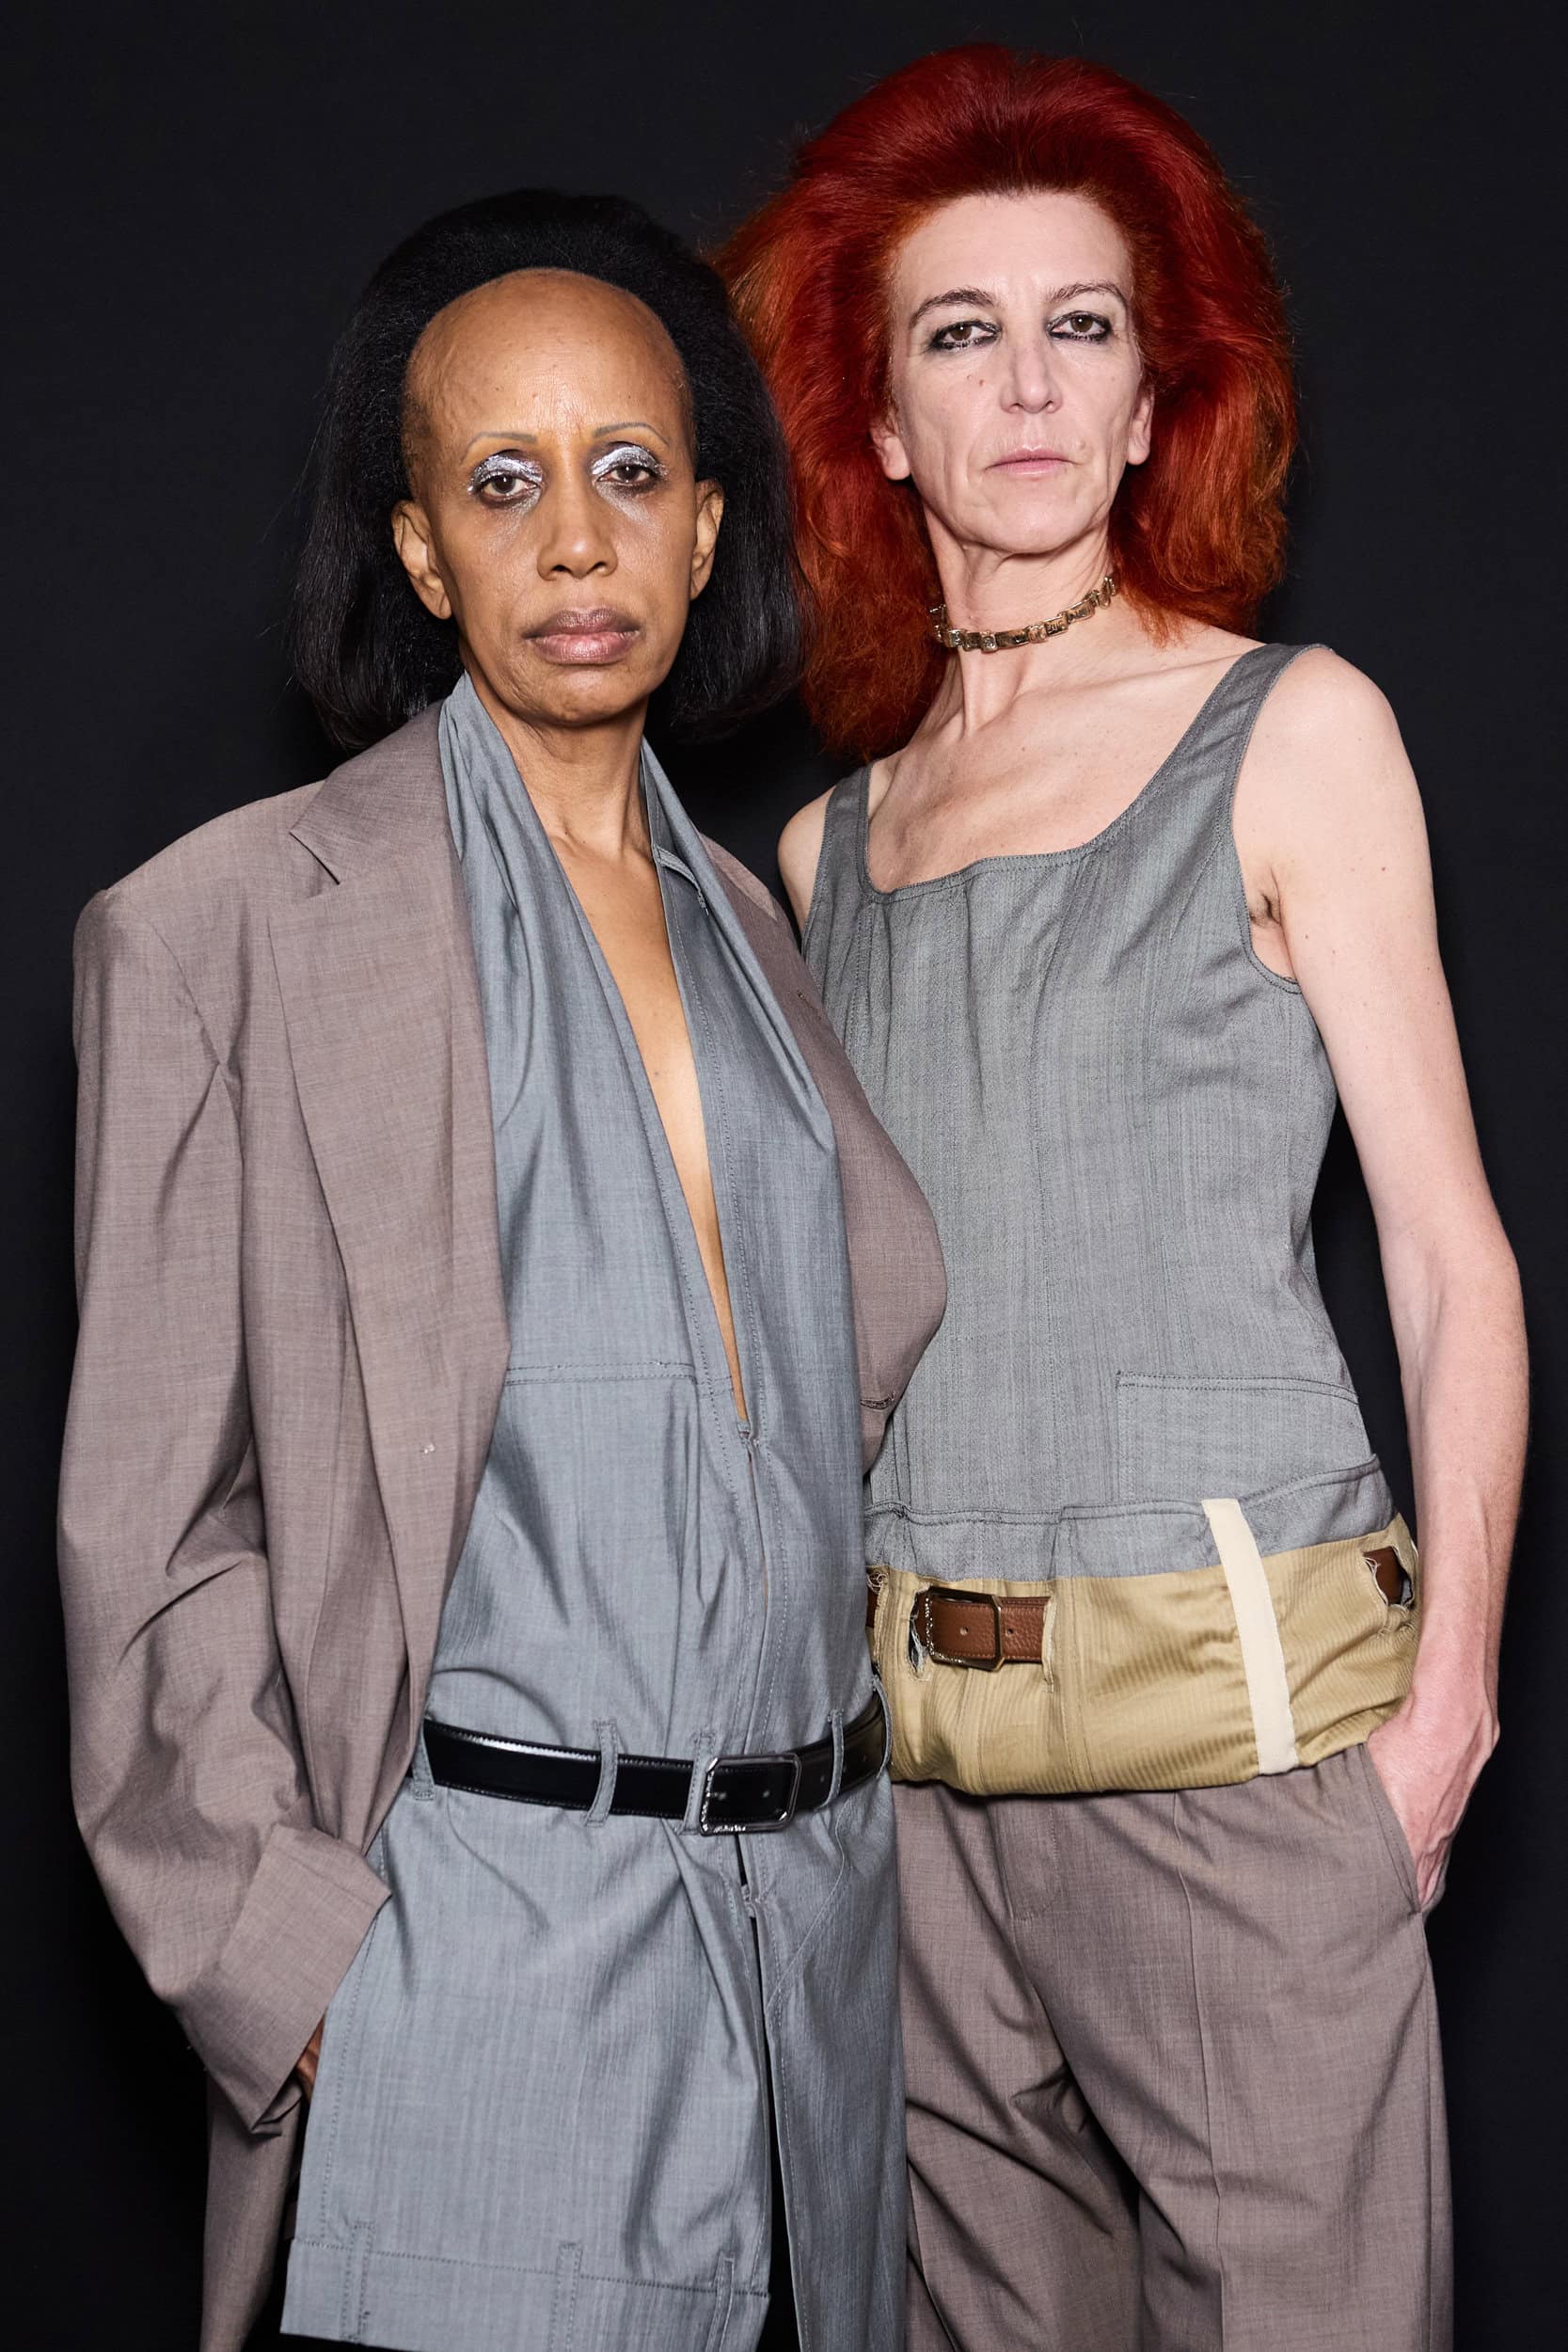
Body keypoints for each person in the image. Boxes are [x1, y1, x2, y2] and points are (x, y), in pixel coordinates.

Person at [57, 188, 944, 2352]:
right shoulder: (222, 930)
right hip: (478, 1972)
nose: (573, 539)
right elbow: (149, 1529)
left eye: (629, 470)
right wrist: (293, 1968)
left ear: (708, 531)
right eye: (503, 481)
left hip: (816, 1994)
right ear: (423, 549)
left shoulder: (760, 927)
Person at [722, 45, 1527, 2352]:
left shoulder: (1294, 729)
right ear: (878, 424)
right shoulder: (826, 850)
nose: (1028, 383)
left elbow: (1450, 1257)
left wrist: (1448, 1712)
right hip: (918, 1786)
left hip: (1240, 1750)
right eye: (961, 332)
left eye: (1082, 325)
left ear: (1160, 396)